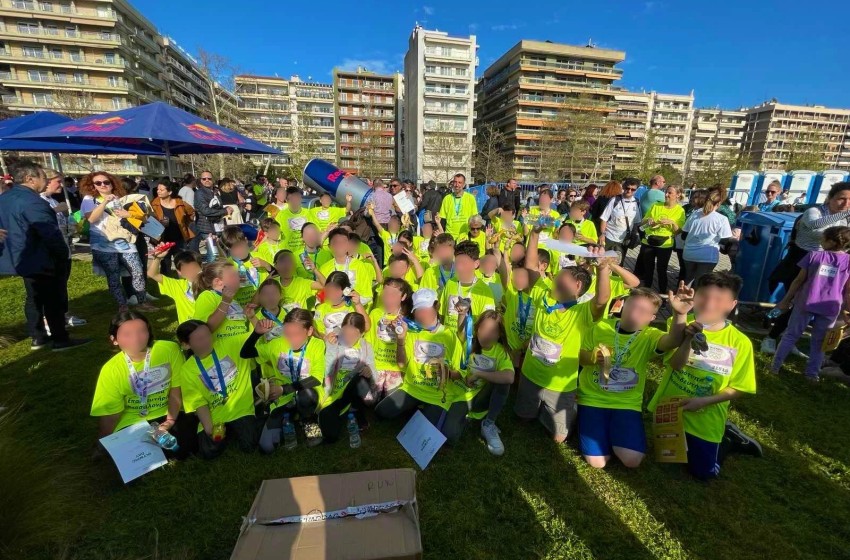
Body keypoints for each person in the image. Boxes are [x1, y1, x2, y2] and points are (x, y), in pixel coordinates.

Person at [647, 272, 757, 480]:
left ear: (731, 305)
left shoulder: (740, 343)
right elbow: (675, 365)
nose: (708, 304)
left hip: (706, 419)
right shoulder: (679, 323)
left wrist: (705, 401)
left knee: (703, 473)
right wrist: (687, 339)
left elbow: (740, 387)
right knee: (667, 460)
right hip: (672, 411)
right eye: (704, 296)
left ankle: (728, 439)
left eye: (718, 299)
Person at [577, 286, 692, 469]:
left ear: (651, 318)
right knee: (597, 462)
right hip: (592, 398)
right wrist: (592, 357)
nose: (635, 313)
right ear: (623, 305)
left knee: (632, 460)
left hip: (626, 403)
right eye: (632, 306)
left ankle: (611, 432)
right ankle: (588, 422)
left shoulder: (649, 336)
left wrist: (680, 314)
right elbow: (580, 356)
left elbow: (673, 340)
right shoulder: (601, 326)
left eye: (643, 311)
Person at [514, 227, 611, 443]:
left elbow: (602, 300)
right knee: (522, 418)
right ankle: (536, 406)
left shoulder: (582, 312)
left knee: (559, 437)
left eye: (561, 278)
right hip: (530, 374)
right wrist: (535, 235)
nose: (555, 279)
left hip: (559, 384)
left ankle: (570, 407)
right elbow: (530, 267)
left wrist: (603, 269)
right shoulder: (545, 295)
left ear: (577, 287)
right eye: (557, 276)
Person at [0, 162, 89, 351]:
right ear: (30, 179)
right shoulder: (32, 202)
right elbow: (49, 233)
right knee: (52, 299)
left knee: (34, 298)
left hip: (19, 258)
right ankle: (60, 339)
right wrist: (61, 254)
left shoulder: (5, 198)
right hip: (39, 257)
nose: (45, 181)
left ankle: (37, 336)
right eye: (43, 177)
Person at [91, 311, 196, 457]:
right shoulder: (110, 370)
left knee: (184, 448)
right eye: (127, 334)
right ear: (114, 339)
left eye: (142, 331)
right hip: (133, 421)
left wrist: (170, 421)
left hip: (168, 413)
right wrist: (103, 442)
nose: (136, 338)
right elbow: (110, 414)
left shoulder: (169, 349)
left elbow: (176, 389)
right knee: (137, 458)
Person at [762, 182, 850, 354]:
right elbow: (816, 226)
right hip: (800, 260)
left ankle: (789, 338)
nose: (846, 203)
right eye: (841, 199)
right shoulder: (814, 212)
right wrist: (845, 214)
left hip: (823, 265)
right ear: (830, 198)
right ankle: (770, 337)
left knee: (806, 306)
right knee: (793, 302)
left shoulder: (843, 218)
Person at [374, 288, 467, 444]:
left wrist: (448, 373)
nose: (421, 315)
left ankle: (442, 415)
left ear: (436, 307)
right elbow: (402, 364)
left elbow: (460, 371)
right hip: (412, 388)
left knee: (431, 437)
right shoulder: (410, 331)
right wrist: (401, 340)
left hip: (437, 395)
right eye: (418, 310)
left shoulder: (449, 335)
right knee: (381, 412)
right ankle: (417, 409)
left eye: (425, 309)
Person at [771, 226, 850, 381]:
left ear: (830, 241)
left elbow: (798, 281)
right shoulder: (848, 261)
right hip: (830, 306)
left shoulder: (813, 255)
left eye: (822, 238)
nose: (820, 241)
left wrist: (785, 300)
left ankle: (775, 366)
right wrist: (846, 311)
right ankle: (812, 374)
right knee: (820, 342)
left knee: (790, 335)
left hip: (805, 302)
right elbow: (848, 291)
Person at [177, 320, 259, 459]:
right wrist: (209, 428)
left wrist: (257, 327)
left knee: (249, 445)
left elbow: (255, 336)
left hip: (240, 408)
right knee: (208, 452)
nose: (207, 341)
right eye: (199, 339)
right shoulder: (187, 370)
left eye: (208, 335)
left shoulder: (230, 344)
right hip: (215, 414)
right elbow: (198, 402)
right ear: (186, 345)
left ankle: (249, 420)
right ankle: (229, 431)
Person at [78, 171, 156, 313]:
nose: (103, 185)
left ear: (112, 183)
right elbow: (91, 219)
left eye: (106, 182)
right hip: (103, 243)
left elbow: (141, 217)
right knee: (113, 275)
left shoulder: (121, 198)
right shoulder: (89, 199)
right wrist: (105, 201)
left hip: (125, 241)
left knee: (137, 270)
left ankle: (141, 301)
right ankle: (122, 305)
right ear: (93, 185)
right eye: (98, 183)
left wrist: (129, 214)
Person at [454, 309, 515, 456]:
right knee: (452, 435)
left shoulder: (500, 352)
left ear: (499, 334)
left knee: (503, 381)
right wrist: (462, 314)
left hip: (481, 397)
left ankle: (489, 424)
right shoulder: (468, 342)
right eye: (483, 328)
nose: (487, 334)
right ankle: (464, 415)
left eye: (493, 331)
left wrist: (479, 374)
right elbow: (460, 331)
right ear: (477, 328)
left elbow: (510, 377)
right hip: (461, 395)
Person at [39, 168, 86, 330]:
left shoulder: (51, 199)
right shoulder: (38, 201)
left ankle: (62, 315)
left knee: (61, 285)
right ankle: (48, 320)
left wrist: (71, 225)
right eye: (58, 182)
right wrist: (55, 211)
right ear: (46, 181)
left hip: (63, 249)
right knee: (51, 287)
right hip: (50, 253)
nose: (61, 185)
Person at [319, 312, 376, 442]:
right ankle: (346, 411)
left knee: (361, 381)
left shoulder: (366, 346)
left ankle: (354, 410)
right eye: (345, 333)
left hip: (353, 388)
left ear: (361, 334)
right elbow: (326, 371)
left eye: (354, 334)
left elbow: (374, 371)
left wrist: (369, 369)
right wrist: (332, 348)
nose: (349, 338)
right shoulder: (333, 342)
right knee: (331, 437)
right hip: (334, 390)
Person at [367, 278, 414, 402]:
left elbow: (409, 352)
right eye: (385, 292)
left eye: (393, 294)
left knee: (391, 401)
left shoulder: (408, 320)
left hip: (396, 369)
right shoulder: (375, 313)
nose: (387, 298)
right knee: (369, 401)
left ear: (403, 297)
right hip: (376, 366)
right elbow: (368, 341)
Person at [635, 185, 686, 293]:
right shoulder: (656, 205)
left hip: (665, 244)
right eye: (666, 192)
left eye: (670, 193)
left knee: (661, 270)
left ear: (678, 195)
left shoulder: (680, 210)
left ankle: (662, 295)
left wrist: (672, 222)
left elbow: (678, 231)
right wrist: (649, 220)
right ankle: (646, 293)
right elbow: (643, 222)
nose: (666, 195)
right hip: (648, 241)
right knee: (648, 270)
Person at [439, 241, 496, 332]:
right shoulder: (451, 283)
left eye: (464, 263)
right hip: (449, 343)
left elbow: (487, 326)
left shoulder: (485, 291)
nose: (459, 267)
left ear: (476, 264)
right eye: (457, 262)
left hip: (470, 344)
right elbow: (442, 315)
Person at [681, 185, 733, 284]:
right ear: (719, 203)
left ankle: (682, 298)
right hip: (707, 255)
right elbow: (725, 240)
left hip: (689, 253)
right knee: (700, 283)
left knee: (688, 279)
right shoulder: (721, 219)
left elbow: (684, 235)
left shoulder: (694, 214)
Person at [191, 261, 249, 342]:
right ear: (218, 282)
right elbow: (205, 329)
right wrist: (225, 303)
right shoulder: (207, 296)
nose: (238, 278)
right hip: (222, 353)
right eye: (233, 276)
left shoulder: (234, 301)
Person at [150, 178, 195, 275]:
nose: (158, 191)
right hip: (162, 240)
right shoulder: (153, 204)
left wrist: (184, 224)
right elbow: (149, 220)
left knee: (182, 263)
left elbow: (191, 213)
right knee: (165, 264)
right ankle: (166, 287)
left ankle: (185, 285)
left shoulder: (180, 203)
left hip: (179, 239)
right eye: (158, 189)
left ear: (169, 192)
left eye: (162, 190)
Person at [147, 248, 202, 325]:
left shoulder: (210, 284)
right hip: (187, 330)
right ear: (179, 272)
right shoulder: (177, 286)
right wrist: (158, 258)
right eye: (187, 270)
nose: (192, 273)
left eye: (195, 269)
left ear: (201, 267)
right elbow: (152, 274)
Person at [313, 271, 370, 339]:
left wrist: (358, 304)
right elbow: (316, 332)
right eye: (328, 290)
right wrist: (325, 337)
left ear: (346, 290)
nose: (331, 295)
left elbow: (366, 327)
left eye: (335, 291)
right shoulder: (320, 309)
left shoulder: (354, 307)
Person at [600, 179, 641, 265]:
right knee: (604, 262)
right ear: (623, 187)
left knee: (618, 264)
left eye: (632, 189)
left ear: (636, 190)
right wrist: (602, 235)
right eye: (627, 188)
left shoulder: (636, 202)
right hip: (609, 237)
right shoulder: (615, 200)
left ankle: (615, 278)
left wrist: (635, 235)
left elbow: (637, 222)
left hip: (624, 240)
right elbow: (604, 218)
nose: (629, 191)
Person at [192, 171, 230, 252]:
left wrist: (226, 210)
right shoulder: (199, 193)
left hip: (218, 227)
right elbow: (205, 211)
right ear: (201, 180)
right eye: (204, 179)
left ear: (213, 180)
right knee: (213, 254)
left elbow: (218, 208)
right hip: (207, 228)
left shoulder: (215, 192)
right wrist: (225, 211)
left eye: (209, 178)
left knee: (222, 253)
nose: (207, 180)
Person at [438, 174, 478, 238]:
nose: (457, 185)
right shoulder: (447, 198)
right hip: (450, 236)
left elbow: (474, 218)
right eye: (455, 182)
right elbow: (442, 219)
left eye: (460, 182)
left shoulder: (470, 198)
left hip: (465, 235)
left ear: (464, 185)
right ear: (453, 183)